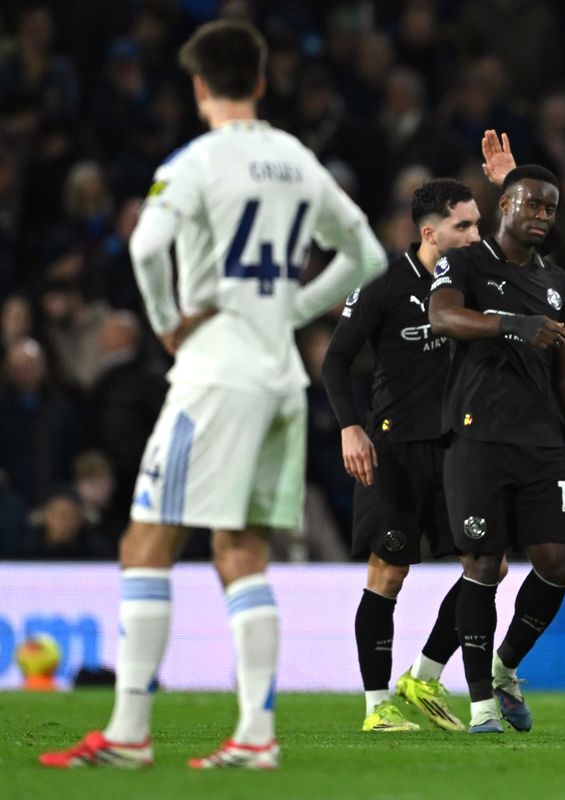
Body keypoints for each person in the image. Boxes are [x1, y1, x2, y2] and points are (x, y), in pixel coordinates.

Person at [40, 20, 386, 770]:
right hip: (280, 381)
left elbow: (142, 246)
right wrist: (294, 309)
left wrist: (167, 324)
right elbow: (368, 255)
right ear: (261, 83)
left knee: (146, 543)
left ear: (199, 88)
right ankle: (256, 736)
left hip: (215, 376)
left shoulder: (195, 161)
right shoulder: (296, 159)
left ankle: (130, 734)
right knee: (241, 552)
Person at [428, 163, 565, 734]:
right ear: (504, 205)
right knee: (483, 565)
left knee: (558, 562)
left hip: (540, 444)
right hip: (477, 436)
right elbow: (441, 317)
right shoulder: (462, 262)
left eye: (550, 209)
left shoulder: (555, 283)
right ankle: (481, 701)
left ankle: (507, 667)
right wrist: (512, 323)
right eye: (531, 205)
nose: (541, 216)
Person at [321, 177, 492, 734]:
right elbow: (335, 361)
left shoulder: (478, 282)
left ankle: (424, 673)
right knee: (388, 573)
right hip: (394, 449)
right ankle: (376, 707)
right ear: (430, 232)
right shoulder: (385, 285)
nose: (475, 234)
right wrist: (350, 427)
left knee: (486, 564)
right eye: (463, 226)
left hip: (459, 449)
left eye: (477, 224)